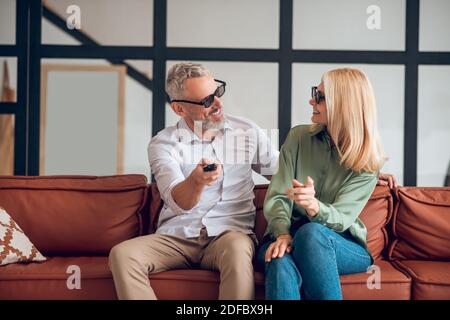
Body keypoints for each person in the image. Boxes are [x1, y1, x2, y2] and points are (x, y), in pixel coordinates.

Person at [108, 62, 279, 300]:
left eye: (217, 93)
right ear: (179, 109)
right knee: (122, 254)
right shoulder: (163, 144)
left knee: (237, 249)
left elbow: (284, 176)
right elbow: (179, 201)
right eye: (207, 101)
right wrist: (196, 182)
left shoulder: (247, 132)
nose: (218, 104)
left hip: (229, 235)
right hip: (177, 238)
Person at [258, 67, 389, 300]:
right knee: (278, 260)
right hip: (286, 236)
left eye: (319, 97)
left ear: (343, 104)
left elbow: (341, 219)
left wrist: (314, 206)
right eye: (314, 92)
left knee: (311, 234)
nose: (311, 100)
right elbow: (278, 196)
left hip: (342, 245)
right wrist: (282, 233)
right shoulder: (298, 138)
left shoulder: (367, 163)